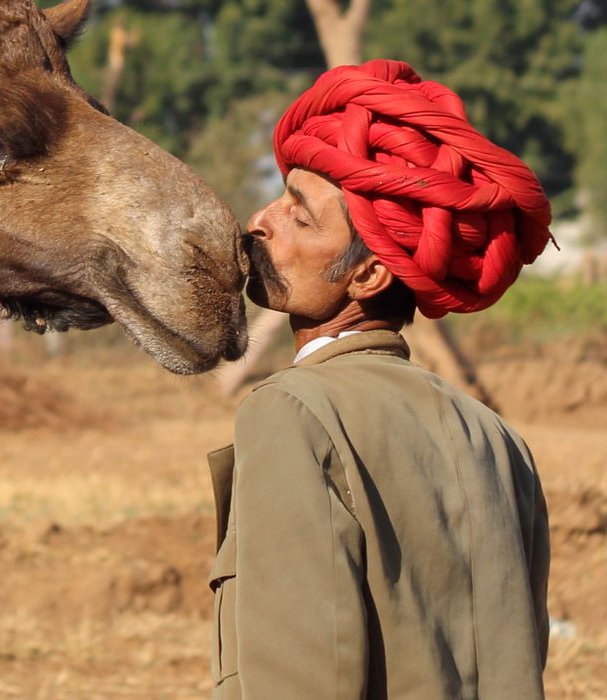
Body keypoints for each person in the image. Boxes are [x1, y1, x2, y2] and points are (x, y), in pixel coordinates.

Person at [209, 59, 551, 699]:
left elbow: (301, 675)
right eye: (281, 196)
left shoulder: (292, 413)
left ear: (367, 276)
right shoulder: (499, 439)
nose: (260, 219)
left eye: (299, 216)